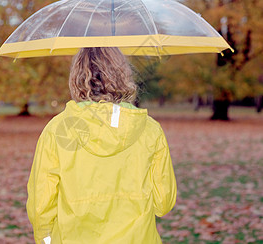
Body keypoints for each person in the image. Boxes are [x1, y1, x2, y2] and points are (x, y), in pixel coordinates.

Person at [26, 47, 177, 244]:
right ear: (123, 75)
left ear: (77, 77)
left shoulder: (57, 130)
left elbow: (41, 206)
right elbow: (163, 203)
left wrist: (45, 239)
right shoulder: (151, 130)